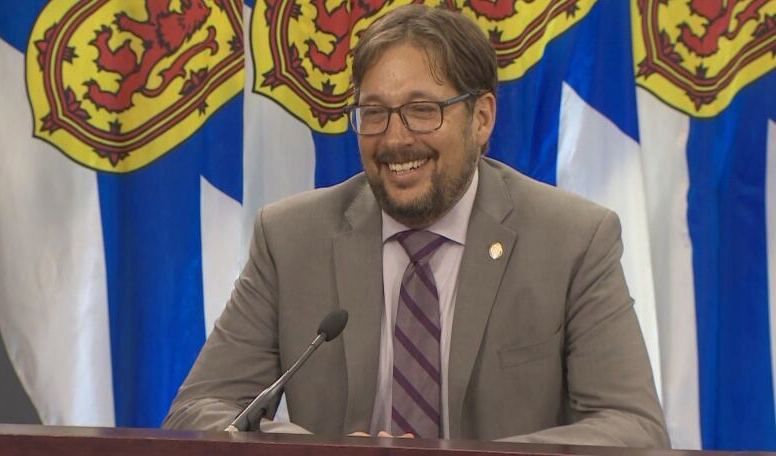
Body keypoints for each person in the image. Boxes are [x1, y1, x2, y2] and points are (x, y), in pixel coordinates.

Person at [163, 4, 669, 447]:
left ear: (482, 118)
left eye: (423, 111)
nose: (395, 140)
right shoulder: (292, 238)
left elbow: (632, 427)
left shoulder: (574, 240)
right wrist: (319, 450)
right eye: (374, 113)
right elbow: (198, 411)